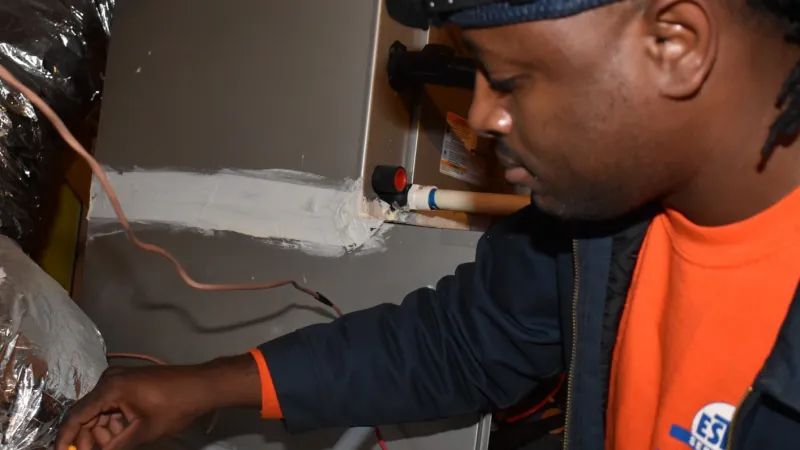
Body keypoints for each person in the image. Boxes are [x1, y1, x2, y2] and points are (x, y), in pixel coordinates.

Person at [56, 0, 800, 448]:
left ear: (676, 44)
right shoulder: (605, 221)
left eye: (508, 81)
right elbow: (458, 344)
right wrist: (200, 388)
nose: (481, 115)